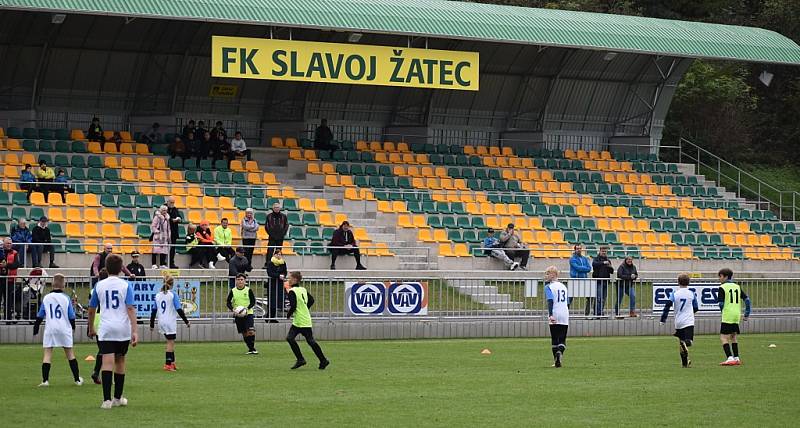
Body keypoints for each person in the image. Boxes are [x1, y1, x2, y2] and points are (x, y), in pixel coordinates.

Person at [87, 254, 139, 409]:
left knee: (107, 362)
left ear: (107, 268)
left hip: (106, 329)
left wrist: (91, 327)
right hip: (122, 329)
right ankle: (117, 398)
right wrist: (134, 330)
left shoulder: (99, 286)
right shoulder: (125, 285)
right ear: (121, 269)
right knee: (120, 361)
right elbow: (130, 308)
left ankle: (106, 400)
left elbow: (91, 309)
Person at [33, 274, 82, 386]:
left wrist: (36, 327)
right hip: (64, 329)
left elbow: (40, 315)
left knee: (47, 354)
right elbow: (71, 316)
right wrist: (73, 327)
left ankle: (45, 380)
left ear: (52, 284)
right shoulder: (66, 298)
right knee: (70, 354)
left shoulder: (46, 298)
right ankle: (77, 380)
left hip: (51, 329)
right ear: (63, 285)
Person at [285, 271, 330, 370]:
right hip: (305, 318)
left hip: (299, 321)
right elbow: (312, 300)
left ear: (295, 280)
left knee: (290, 338)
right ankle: (323, 360)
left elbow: (293, 305)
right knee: (310, 341)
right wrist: (305, 308)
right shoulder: (303, 289)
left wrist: (288, 314)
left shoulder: (292, 291)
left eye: (290, 278)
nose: (288, 280)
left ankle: (301, 359)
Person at [149, 275, 190, 371]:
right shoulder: (173, 295)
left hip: (162, 321)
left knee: (170, 342)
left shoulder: (158, 295)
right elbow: (179, 309)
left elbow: (154, 311)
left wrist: (151, 324)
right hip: (170, 322)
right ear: (172, 284)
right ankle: (168, 364)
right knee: (170, 343)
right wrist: (186, 321)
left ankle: (172, 362)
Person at [660, 274, 698, 368]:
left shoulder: (674, 293)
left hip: (678, 321)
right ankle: (685, 345)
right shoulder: (691, 293)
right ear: (688, 283)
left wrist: (663, 319)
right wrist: (690, 312)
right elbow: (696, 307)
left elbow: (667, 305)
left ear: (678, 282)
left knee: (681, 343)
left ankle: (685, 363)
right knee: (688, 341)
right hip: (688, 321)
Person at [717, 268, 751, 366]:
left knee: (723, 337)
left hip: (728, 314)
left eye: (720, 276)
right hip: (736, 314)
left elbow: (721, 303)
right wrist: (747, 313)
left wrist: (723, 311)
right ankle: (736, 358)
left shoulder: (722, 287)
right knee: (733, 336)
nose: (720, 279)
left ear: (725, 276)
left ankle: (729, 357)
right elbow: (747, 300)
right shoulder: (737, 286)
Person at [544, 266, 570, 368]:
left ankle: (556, 360)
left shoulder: (548, 287)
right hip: (564, 313)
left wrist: (550, 314)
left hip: (555, 312)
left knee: (555, 338)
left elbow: (550, 300)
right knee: (562, 338)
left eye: (547, 274)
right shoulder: (564, 286)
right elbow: (567, 302)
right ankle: (560, 353)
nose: (546, 276)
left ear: (553, 274)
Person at [226, 273, 258, 354]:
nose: (240, 281)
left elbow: (253, 301)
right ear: (236, 281)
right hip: (238, 314)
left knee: (250, 330)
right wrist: (232, 309)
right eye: (238, 279)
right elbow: (228, 302)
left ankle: (253, 348)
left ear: (245, 281)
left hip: (248, 313)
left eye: (242, 280)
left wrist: (247, 308)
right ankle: (251, 349)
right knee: (244, 333)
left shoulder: (248, 290)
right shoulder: (233, 291)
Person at [568, 244, 592, 315]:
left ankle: (587, 314)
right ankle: (565, 312)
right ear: (575, 250)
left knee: (590, 296)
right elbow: (577, 268)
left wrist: (582, 268)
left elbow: (589, 268)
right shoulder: (572, 259)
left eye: (580, 248)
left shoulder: (585, 258)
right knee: (570, 297)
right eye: (577, 249)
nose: (579, 250)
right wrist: (584, 268)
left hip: (584, 280)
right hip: (575, 280)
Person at [265, 248, 288, 323]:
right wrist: (278, 276)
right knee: (272, 301)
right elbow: (270, 273)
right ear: (274, 255)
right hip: (272, 284)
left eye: (280, 254)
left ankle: (272, 317)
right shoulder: (270, 263)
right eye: (277, 254)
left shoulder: (283, 263)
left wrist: (283, 276)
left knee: (276, 301)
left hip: (279, 284)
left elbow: (285, 271)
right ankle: (269, 317)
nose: (279, 256)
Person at [1, 238, 21, 320]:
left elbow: (16, 264)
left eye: (10, 243)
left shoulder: (15, 253)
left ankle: (8, 318)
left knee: (8, 300)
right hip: (0, 279)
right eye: (7, 243)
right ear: (4, 244)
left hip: (10, 280)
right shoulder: (0, 252)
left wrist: (6, 265)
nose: (9, 244)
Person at [591, 246, 613, 317]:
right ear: (600, 251)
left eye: (605, 251)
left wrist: (609, 266)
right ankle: (597, 313)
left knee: (603, 298)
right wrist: (603, 263)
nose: (604, 253)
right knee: (598, 298)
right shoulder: (596, 259)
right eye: (603, 251)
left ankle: (600, 312)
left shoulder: (608, 260)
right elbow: (594, 264)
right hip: (598, 281)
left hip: (605, 282)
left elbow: (611, 271)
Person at [166, 197, 183, 269]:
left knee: (172, 248)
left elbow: (179, 217)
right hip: (165, 231)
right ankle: (163, 263)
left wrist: (178, 219)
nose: (172, 204)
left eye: (173, 202)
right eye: (171, 202)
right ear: (167, 202)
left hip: (174, 232)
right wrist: (172, 220)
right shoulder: (164, 208)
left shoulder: (175, 209)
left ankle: (171, 263)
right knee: (164, 248)